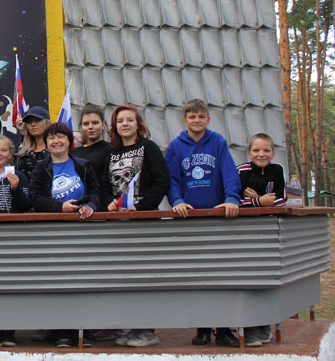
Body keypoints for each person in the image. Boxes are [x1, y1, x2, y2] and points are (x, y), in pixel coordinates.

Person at [165, 99, 242, 348]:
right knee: (196, 275)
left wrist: (231, 199)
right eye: (192, 116)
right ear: (184, 120)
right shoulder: (176, 146)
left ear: (208, 119)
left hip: (217, 219)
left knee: (222, 275)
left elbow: (229, 173)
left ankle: (225, 329)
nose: (196, 120)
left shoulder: (217, 142)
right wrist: (177, 200)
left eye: (201, 116)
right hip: (190, 220)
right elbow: (171, 180)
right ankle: (203, 327)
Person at [103, 104, 170, 348]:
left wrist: (141, 208)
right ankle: (133, 326)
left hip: (145, 224)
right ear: (115, 126)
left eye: (130, 120)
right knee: (125, 277)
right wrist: (109, 204)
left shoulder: (148, 148)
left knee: (145, 277)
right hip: (120, 225)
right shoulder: (111, 154)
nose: (125, 124)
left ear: (138, 124)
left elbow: (162, 182)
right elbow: (105, 186)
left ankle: (147, 329)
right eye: (120, 121)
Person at [27, 122, 99, 348]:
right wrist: (60, 208)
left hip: (82, 234)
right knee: (56, 282)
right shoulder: (41, 168)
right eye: (51, 138)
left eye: (60, 137)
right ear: (46, 143)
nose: (56, 141)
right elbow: (34, 198)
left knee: (82, 282)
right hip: (53, 234)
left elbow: (96, 192)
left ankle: (83, 330)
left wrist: (91, 206)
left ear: (69, 141)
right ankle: (60, 332)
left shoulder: (83, 165)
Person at [236, 133, 285, 347]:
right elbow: (235, 199)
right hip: (245, 233)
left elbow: (282, 199)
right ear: (249, 153)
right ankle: (249, 326)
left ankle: (264, 323)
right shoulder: (241, 171)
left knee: (268, 276)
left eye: (266, 150)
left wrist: (261, 201)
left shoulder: (277, 171)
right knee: (248, 277)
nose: (261, 154)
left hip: (268, 232)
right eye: (256, 150)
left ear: (273, 153)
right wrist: (258, 202)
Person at [72, 104, 112, 209]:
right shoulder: (74, 153)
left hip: (104, 207)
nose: (90, 127)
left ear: (103, 124)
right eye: (86, 124)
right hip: (76, 206)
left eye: (95, 122)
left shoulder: (111, 149)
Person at [15, 106, 50, 182]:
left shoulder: (55, 150)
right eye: (29, 121)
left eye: (37, 120)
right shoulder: (21, 153)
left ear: (47, 122)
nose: (33, 124)